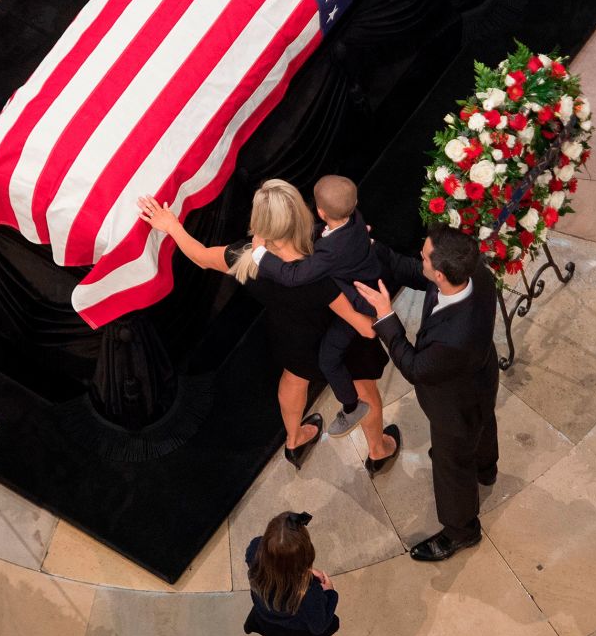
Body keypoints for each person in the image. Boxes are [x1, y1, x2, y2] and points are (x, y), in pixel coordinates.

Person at [139, 181, 398, 472]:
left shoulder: (244, 257)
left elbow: (200, 257)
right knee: (365, 391)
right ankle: (378, 449)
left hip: (292, 337)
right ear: (301, 213)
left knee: (293, 379)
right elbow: (364, 327)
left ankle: (295, 439)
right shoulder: (319, 266)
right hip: (337, 341)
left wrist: (171, 226)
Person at [355, 224, 499, 562]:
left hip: (454, 404)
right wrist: (375, 247)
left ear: (441, 275)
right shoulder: (473, 269)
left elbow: (415, 367)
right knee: (484, 423)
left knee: (451, 463)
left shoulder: (454, 338)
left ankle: (462, 530)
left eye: (424, 257)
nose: (419, 259)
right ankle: (486, 467)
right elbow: (415, 272)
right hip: (480, 378)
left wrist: (386, 316)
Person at [251, 175, 384, 437]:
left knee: (312, 368)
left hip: (333, 319)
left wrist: (259, 254)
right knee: (332, 362)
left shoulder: (328, 252)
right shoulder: (354, 220)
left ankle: (327, 421)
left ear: (320, 212)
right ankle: (372, 438)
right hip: (359, 291)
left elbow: (293, 276)